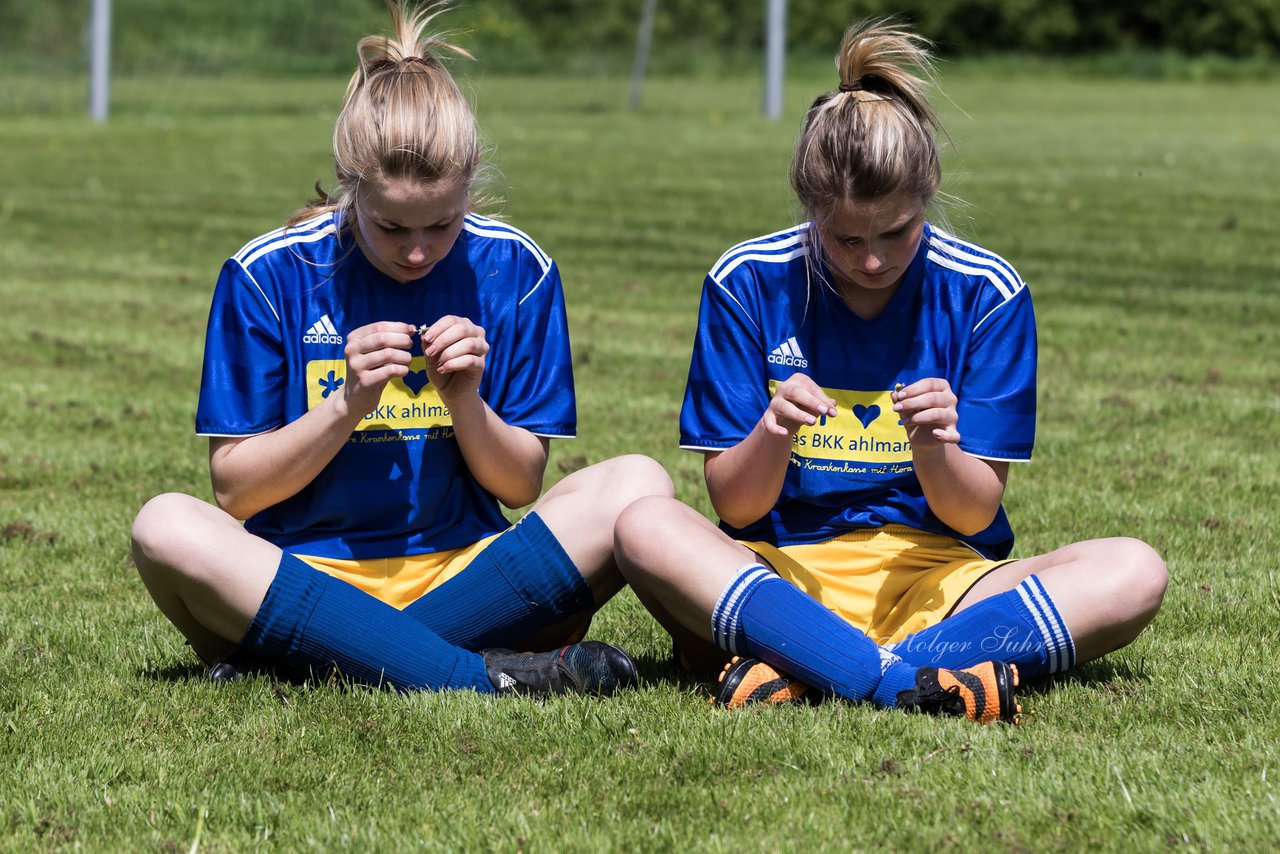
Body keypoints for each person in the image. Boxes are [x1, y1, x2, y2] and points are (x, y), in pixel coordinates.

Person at [613, 20, 1167, 723]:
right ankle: (912, 678)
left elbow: (973, 513)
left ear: (929, 195)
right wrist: (774, 431)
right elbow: (736, 507)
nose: (871, 261)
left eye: (895, 233)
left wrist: (937, 446)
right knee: (643, 525)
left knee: (1134, 572)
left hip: (940, 578)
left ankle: (805, 665)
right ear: (810, 208)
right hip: (777, 570)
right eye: (845, 239)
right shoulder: (747, 279)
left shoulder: (986, 292)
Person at [130, 0, 672, 698]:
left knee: (639, 483)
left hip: (469, 575)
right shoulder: (267, 273)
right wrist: (347, 404)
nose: (417, 251)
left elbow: (519, 487)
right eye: (390, 227)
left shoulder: (517, 269)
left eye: (442, 225)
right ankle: (474, 676)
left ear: (469, 188)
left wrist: (467, 401)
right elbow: (235, 491)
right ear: (351, 184)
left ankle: (342, 657)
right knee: (164, 525)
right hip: (301, 576)